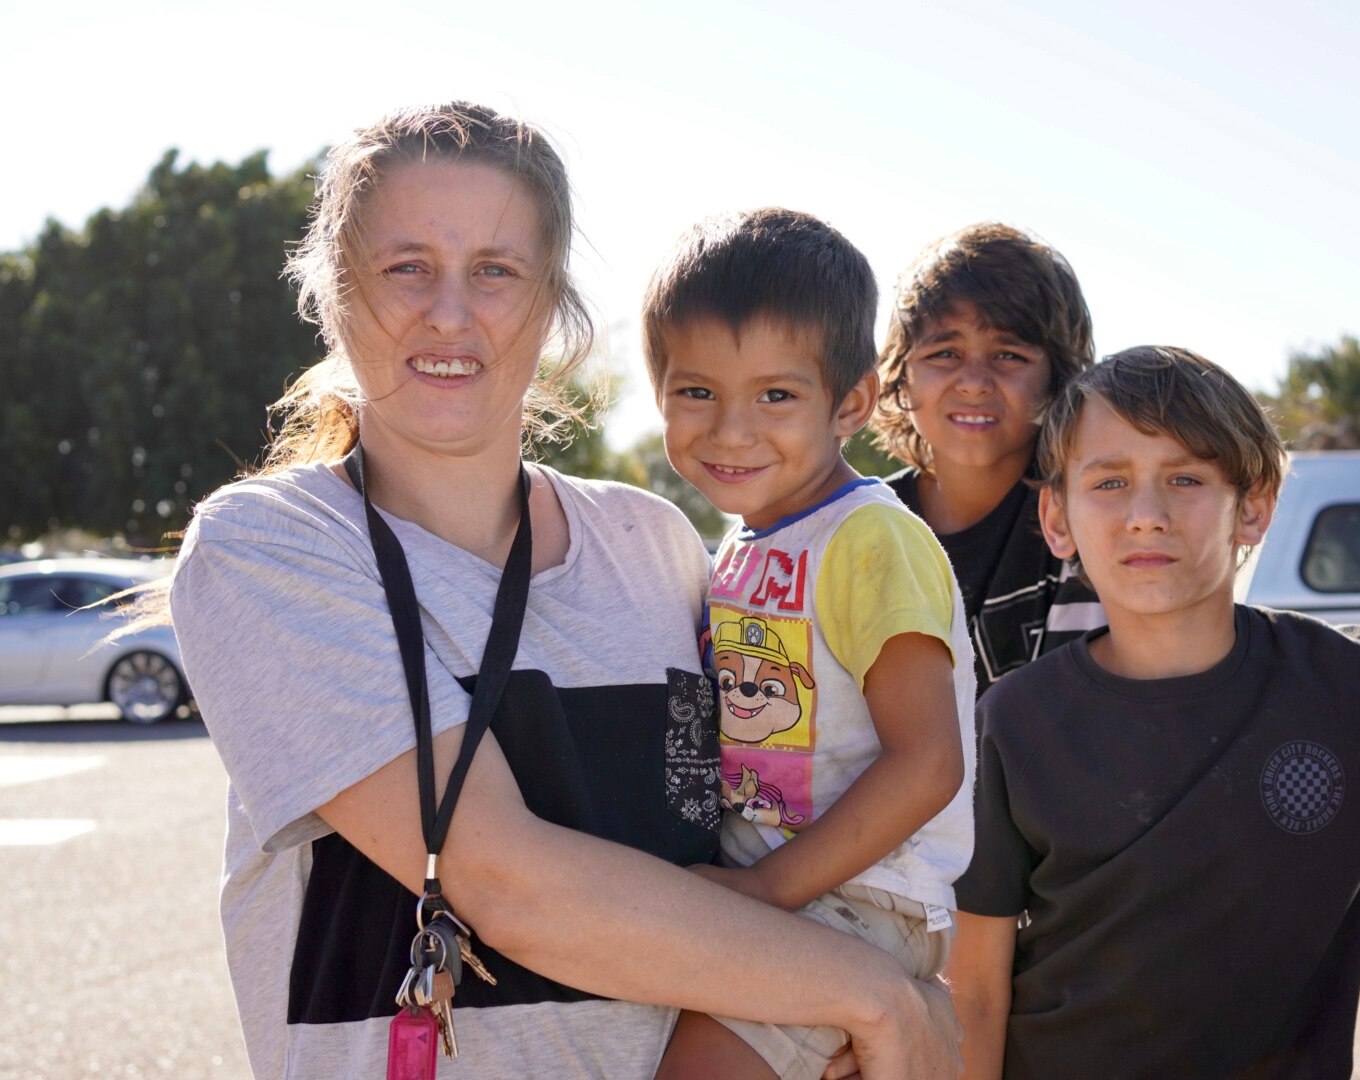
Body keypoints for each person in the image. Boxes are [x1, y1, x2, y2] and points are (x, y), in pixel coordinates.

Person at [162, 103, 960, 1079]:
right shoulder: (271, 548)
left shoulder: (658, 545)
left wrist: (837, 1006)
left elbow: (761, 821)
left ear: (550, 303)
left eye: (495, 271)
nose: (450, 313)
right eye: (405, 266)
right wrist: (875, 999)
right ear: (330, 294)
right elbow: (509, 884)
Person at [943, 345, 1360, 1079]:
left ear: (1254, 505)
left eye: (1185, 478)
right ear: (1057, 515)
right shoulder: (1012, 722)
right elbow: (975, 990)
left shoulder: (1354, 686)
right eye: (1109, 481)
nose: (1145, 515)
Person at [641, 208, 978, 1079]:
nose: (732, 430)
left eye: (777, 395)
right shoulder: (744, 543)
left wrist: (764, 892)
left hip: (859, 898)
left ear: (853, 402)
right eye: (697, 392)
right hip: (784, 889)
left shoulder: (870, 539)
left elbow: (929, 761)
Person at [870, 223, 1105, 695]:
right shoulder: (862, 528)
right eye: (945, 352)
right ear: (901, 374)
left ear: (1056, 375)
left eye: (1009, 355)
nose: (974, 381)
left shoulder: (1088, 526)